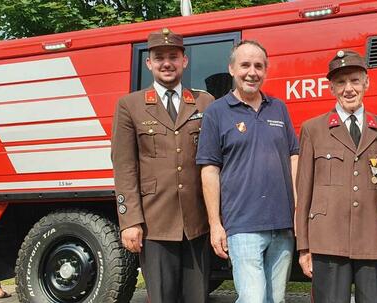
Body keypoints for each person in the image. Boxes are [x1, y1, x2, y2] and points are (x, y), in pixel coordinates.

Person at [111, 28, 214, 303]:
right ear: (149, 63)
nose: (166, 63)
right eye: (159, 58)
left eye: (173, 56)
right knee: (162, 298)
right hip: (155, 222)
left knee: (198, 298)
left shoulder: (205, 102)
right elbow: (124, 167)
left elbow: (217, 163)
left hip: (197, 222)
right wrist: (130, 221)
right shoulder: (130, 105)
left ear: (184, 61)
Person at [196, 40, 299, 303]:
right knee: (253, 298)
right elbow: (209, 170)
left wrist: (298, 208)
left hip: (283, 223)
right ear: (231, 69)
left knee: (275, 300)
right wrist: (215, 224)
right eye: (245, 65)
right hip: (242, 225)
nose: (252, 72)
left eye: (258, 66)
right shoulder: (216, 112)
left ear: (266, 70)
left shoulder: (278, 108)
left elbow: (293, 156)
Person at [295, 50, 377, 303]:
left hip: (373, 238)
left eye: (354, 80)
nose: (348, 89)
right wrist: (304, 247)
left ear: (366, 83)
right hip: (327, 239)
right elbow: (304, 190)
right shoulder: (313, 129)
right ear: (331, 88)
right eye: (340, 82)